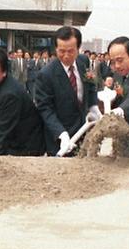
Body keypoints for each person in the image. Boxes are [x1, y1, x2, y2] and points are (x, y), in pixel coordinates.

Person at [34, 26, 101, 156]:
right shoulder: (46, 74)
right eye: (61, 51)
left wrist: (93, 106)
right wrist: (62, 134)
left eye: (71, 51)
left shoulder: (83, 61)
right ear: (55, 49)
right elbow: (45, 108)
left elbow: (91, 86)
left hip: (85, 131)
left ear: (78, 48)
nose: (66, 56)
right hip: (61, 137)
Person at [0, 47, 45, 156]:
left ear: (4, 71)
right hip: (14, 142)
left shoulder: (10, 95)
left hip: (25, 148)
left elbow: (4, 134)